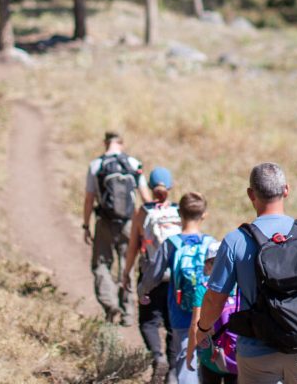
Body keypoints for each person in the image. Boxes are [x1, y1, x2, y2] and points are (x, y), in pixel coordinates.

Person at [195, 163, 297, 383]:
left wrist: (203, 328)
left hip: (256, 350)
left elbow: (215, 298)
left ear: (251, 194)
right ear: (286, 190)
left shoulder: (236, 241)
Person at [138, 192, 215, 384]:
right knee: (209, 361)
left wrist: (142, 291)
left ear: (179, 213)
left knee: (185, 360)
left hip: (180, 313)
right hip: (208, 312)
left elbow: (153, 276)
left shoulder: (171, 244)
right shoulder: (211, 243)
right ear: (204, 214)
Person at [83, 131, 151, 326]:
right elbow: (146, 199)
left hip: (104, 221)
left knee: (102, 264)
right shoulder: (133, 164)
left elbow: (89, 198)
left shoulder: (96, 166)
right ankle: (128, 311)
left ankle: (110, 304)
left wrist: (86, 225)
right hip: (129, 223)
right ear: (121, 143)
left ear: (105, 143)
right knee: (127, 264)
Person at [122, 167, 181, 382]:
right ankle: (173, 372)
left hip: (151, 277)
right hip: (177, 278)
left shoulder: (143, 212)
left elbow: (133, 247)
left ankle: (158, 357)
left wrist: (126, 272)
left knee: (148, 322)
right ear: (171, 186)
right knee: (174, 325)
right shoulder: (178, 211)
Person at [186, 240, 238, 384]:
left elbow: (195, 325)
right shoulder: (240, 287)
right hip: (236, 357)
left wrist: (190, 354)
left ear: (209, 265)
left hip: (210, 358)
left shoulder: (203, 289)